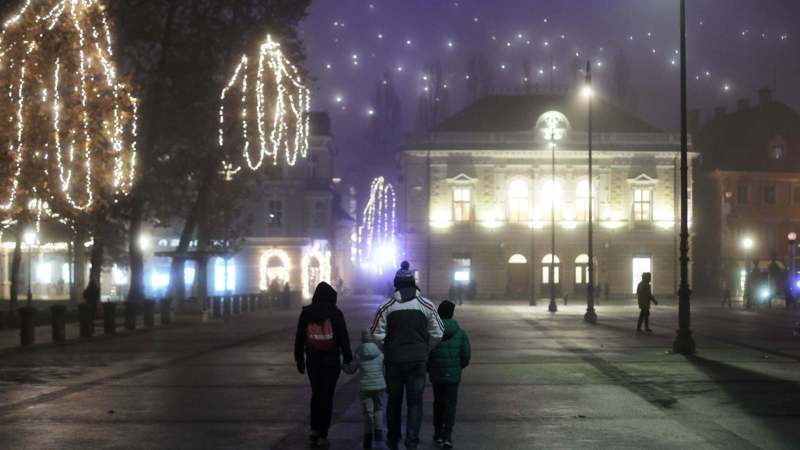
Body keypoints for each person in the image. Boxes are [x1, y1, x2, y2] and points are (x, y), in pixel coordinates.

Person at [371, 261, 444, 450]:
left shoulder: (386, 305)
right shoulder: (426, 305)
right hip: (417, 362)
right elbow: (438, 332)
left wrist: (387, 350)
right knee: (415, 403)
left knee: (393, 402)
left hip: (394, 361)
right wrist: (426, 349)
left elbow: (376, 334)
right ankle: (412, 442)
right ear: (414, 283)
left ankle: (393, 439)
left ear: (396, 283)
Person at [294, 282, 353, 448]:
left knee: (316, 393)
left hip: (313, 359)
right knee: (327, 395)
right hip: (331, 360)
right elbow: (343, 337)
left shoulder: (307, 312)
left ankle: (314, 428)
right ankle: (322, 433)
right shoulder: (335, 313)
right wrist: (348, 358)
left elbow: (300, 337)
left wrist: (299, 359)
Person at [427, 300, 470, 449]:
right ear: (452, 313)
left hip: (437, 375)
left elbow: (428, 354)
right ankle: (447, 436)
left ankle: (437, 433)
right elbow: (465, 356)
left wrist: (430, 368)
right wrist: (457, 367)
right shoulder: (460, 333)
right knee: (450, 405)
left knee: (438, 403)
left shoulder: (432, 333)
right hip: (453, 376)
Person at [344, 330, 386, 449]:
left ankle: (368, 435)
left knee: (368, 412)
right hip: (379, 385)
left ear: (362, 339)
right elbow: (385, 370)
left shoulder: (359, 353)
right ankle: (378, 433)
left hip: (365, 387)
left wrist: (343, 365)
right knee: (379, 408)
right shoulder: (380, 353)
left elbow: (351, 370)